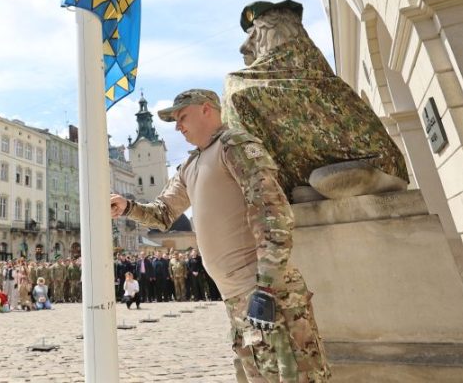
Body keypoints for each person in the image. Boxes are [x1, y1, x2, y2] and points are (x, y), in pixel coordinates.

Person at [110, 89, 331, 382]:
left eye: (182, 117)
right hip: (236, 296)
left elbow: (272, 212)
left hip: (265, 290)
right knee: (260, 375)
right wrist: (127, 207)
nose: (178, 127)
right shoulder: (190, 165)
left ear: (206, 109)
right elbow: (163, 213)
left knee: (295, 374)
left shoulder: (233, 146)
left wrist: (267, 286)